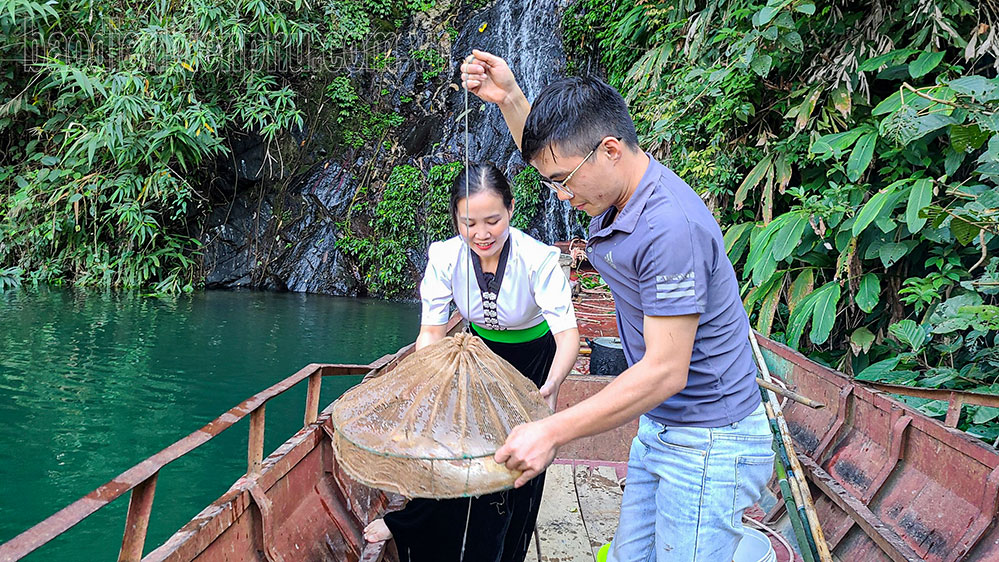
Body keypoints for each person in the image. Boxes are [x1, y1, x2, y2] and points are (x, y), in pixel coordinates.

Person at [460, 51, 775, 561]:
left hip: (712, 440)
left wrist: (551, 429)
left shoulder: (668, 227)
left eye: (563, 182)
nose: (559, 196)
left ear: (610, 150)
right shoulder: (613, 188)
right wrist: (511, 98)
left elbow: (666, 371)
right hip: (663, 424)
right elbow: (558, 158)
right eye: (551, 184)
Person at [363, 162, 580, 562]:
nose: (482, 234)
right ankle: (410, 524)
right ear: (456, 220)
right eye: (469, 223)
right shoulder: (445, 257)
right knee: (450, 450)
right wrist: (429, 381)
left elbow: (568, 336)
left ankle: (505, 553)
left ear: (511, 210)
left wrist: (549, 386)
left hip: (533, 364)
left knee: (515, 470)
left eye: (493, 221)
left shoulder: (538, 259)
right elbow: (431, 332)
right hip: (475, 357)